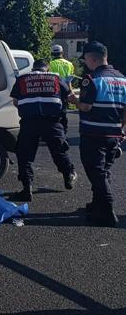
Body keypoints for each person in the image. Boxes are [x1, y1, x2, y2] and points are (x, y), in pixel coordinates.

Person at [70, 42, 126, 227]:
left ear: (92, 58)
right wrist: (122, 129)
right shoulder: (122, 79)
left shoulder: (92, 79)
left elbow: (86, 106)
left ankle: (107, 210)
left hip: (93, 134)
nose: (85, 63)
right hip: (114, 135)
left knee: (96, 172)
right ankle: (97, 204)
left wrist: (73, 100)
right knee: (104, 170)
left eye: (85, 59)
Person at [10, 59, 76, 201]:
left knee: (25, 156)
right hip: (52, 122)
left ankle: (27, 189)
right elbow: (68, 97)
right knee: (59, 151)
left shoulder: (22, 79)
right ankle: (68, 177)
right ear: (47, 68)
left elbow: (15, 101)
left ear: (33, 68)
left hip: (29, 123)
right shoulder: (55, 78)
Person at [49, 44, 75, 133]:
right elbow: (69, 81)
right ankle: (64, 130)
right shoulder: (70, 64)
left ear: (52, 54)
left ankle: (54, 130)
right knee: (63, 110)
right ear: (62, 53)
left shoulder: (50, 64)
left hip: (53, 90)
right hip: (65, 90)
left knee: (53, 111)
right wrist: (71, 93)